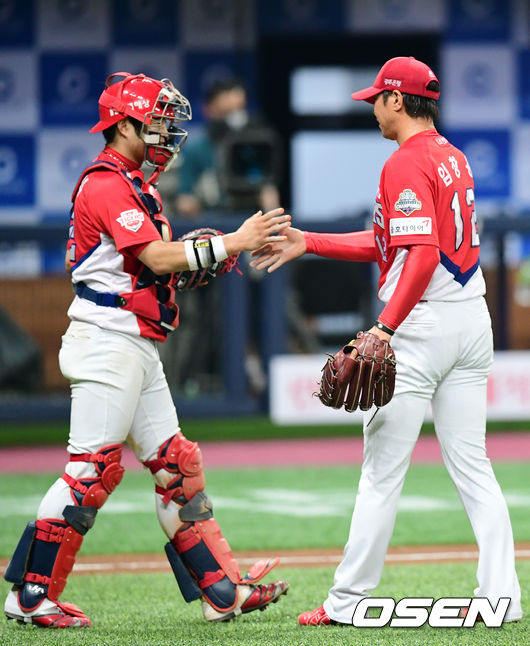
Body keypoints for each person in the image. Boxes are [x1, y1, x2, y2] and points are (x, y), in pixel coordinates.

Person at [3, 72, 290, 629]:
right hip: (107, 340)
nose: (166, 133)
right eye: (156, 123)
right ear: (124, 125)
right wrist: (230, 241)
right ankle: (32, 595)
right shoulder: (107, 182)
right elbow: (157, 258)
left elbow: (152, 268)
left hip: (133, 342)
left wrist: (204, 257)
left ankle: (221, 590)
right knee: (89, 473)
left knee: (177, 467)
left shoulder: (137, 185)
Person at [251, 56, 522, 626]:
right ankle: (503, 595)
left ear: (397, 100)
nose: (373, 107)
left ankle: (348, 601)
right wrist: (310, 241)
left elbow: (419, 255)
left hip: (422, 327)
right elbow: (393, 243)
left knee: (381, 474)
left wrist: (384, 327)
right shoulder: (452, 156)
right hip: (471, 321)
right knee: (474, 466)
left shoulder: (404, 161)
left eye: (377, 98)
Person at [174, 77, 280, 217]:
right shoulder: (196, 150)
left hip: (252, 217)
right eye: (225, 112)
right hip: (213, 219)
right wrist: (190, 204)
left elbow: (267, 187)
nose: (232, 118)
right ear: (209, 109)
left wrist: (271, 205)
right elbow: (184, 197)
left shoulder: (256, 147)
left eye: (239, 110)